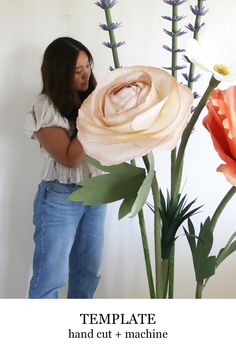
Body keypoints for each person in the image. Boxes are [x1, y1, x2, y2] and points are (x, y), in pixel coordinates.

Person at [24, 37, 106, 299]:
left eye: (87, 65)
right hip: (60, 196)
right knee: (50, 278)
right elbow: (69, 158)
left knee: (87, 273)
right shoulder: (45, 106)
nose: (86, 75)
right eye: (76, 70)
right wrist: (93, 115)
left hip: (96, 192)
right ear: (59, 73)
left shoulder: (92, 99)